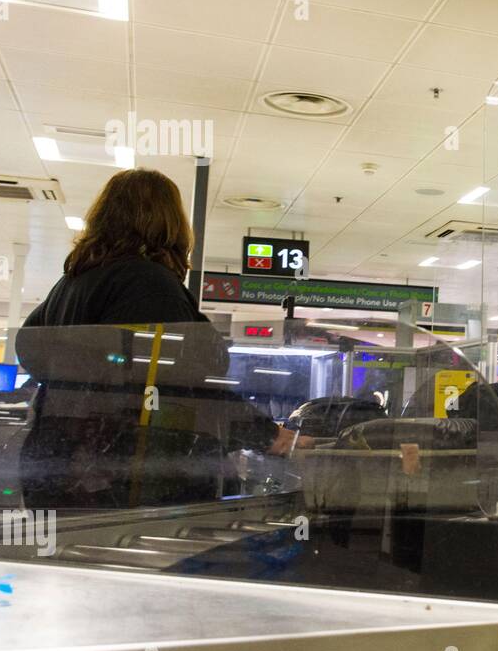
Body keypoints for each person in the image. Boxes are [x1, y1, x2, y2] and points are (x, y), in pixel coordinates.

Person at [19, 169, 306, 503]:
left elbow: (31, 351)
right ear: (171, 223)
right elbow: (182, 388)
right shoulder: (146, 284)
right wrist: (272, 437)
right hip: (129, 480)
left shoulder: (69, 284)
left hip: (60, 471)